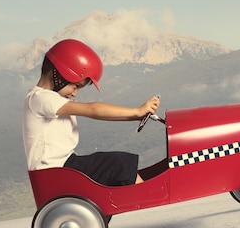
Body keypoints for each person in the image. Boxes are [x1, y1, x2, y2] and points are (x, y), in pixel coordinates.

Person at [22, 39, 160, 185]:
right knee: (118, 164)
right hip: (56, 172)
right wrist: (137, 110)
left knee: (113, 168)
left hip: (61, 168)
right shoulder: (41, 98)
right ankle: (148, 199)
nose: (75, 94)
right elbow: (93, 110)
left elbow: (99, 114)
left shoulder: (48, 100)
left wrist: (135, 116)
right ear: (57, 75)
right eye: (75, 86)